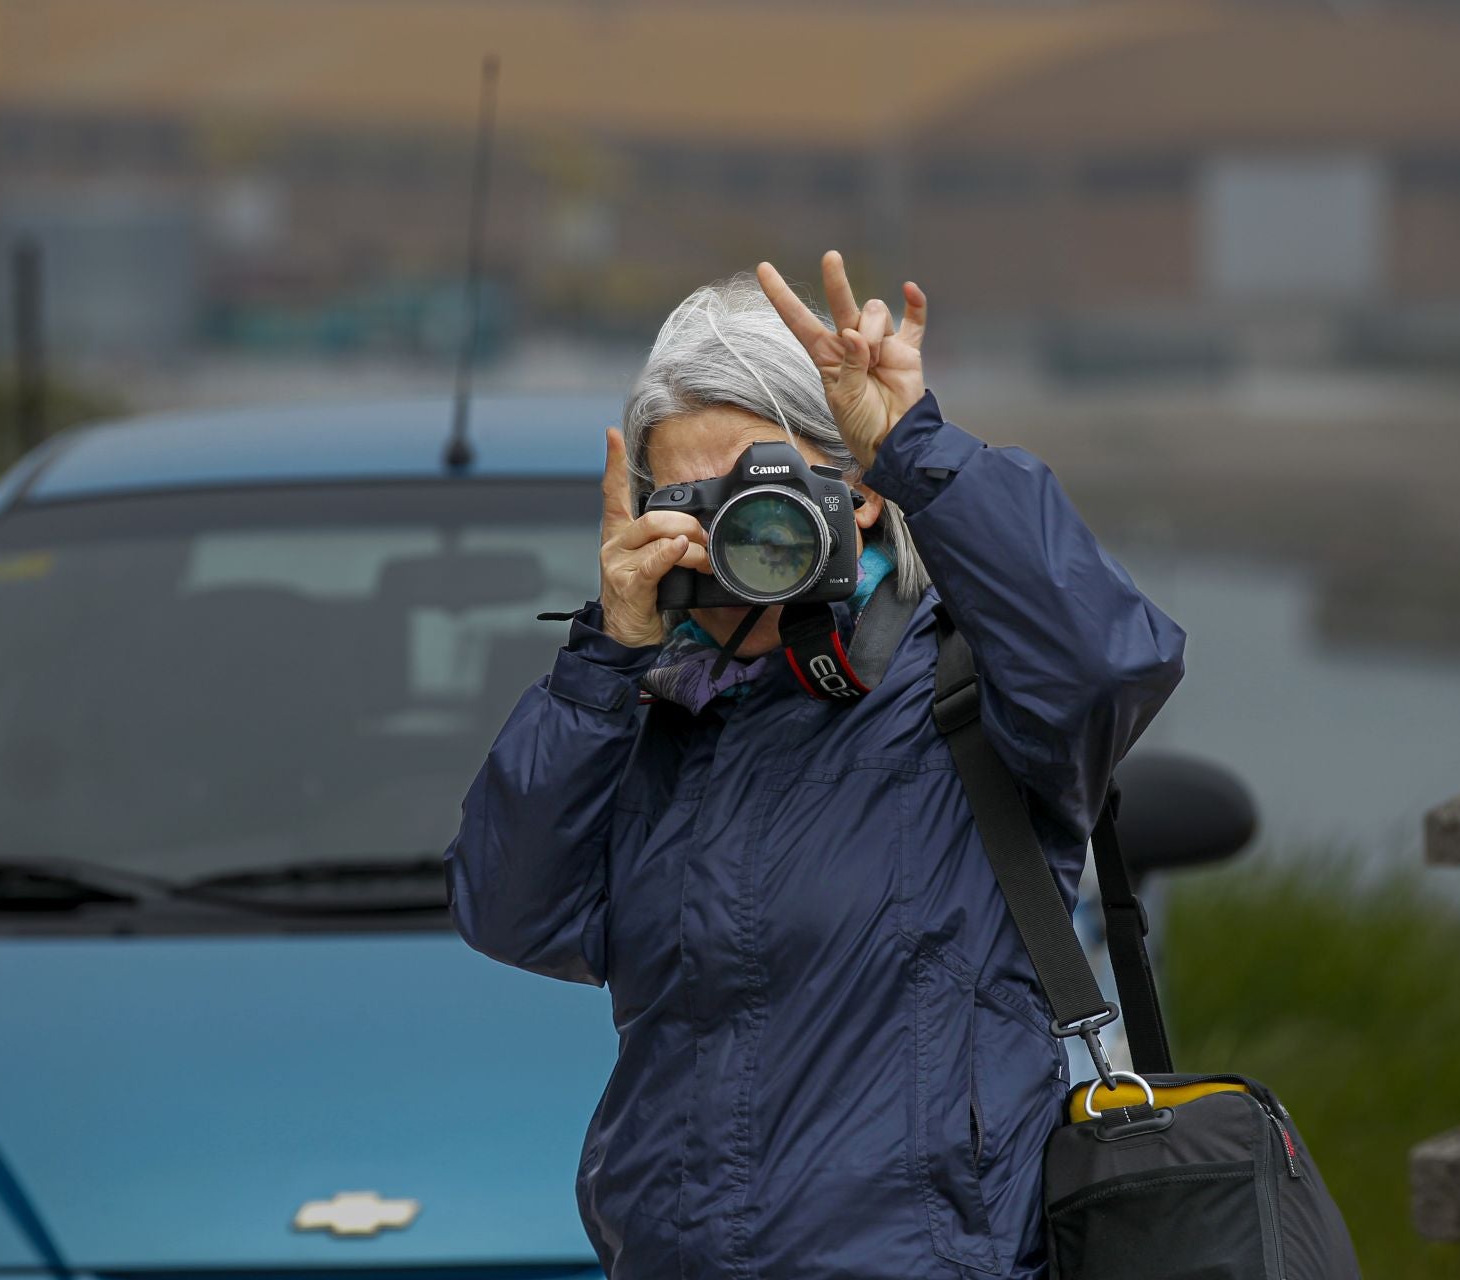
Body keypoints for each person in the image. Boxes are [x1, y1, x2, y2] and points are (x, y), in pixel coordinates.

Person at [444, 251, 1186, 1278]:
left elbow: (1115, 659)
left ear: (862, 496)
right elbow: (508, 910)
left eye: (768, 495)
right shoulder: (647, 715)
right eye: (695, 506)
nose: (731, 542)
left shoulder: (972, 693)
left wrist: (917, 446)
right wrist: (605, 654)